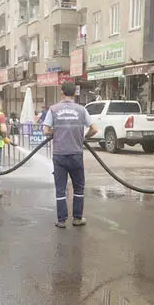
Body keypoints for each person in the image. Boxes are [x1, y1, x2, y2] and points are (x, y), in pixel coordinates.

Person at [43, 81, 98, 228]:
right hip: (76, 154)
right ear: (75, 93)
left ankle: (61, 220)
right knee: (79, 187)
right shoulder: (81, 110)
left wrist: (57, 133)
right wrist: (83, 137)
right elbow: (94, 129)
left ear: (62, 92)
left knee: (60, 188)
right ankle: (77, 218)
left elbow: (45, 130)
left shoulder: (53, 109)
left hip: (59, 154)